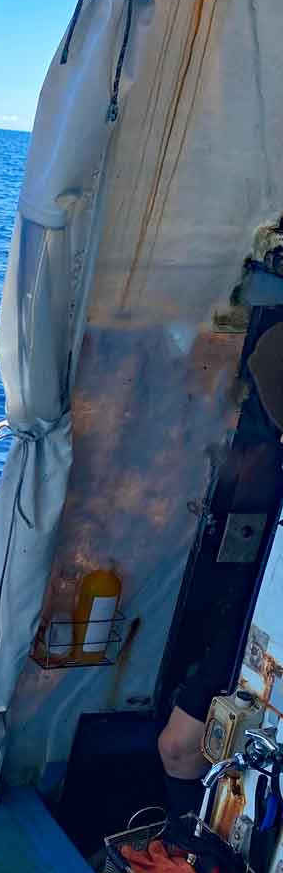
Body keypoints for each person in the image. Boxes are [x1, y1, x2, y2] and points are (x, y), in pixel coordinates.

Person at [158, 320, 283, 814]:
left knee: (180, 745)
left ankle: (194, 858)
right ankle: (193, 850)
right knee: (179, 744)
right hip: (256, 613)